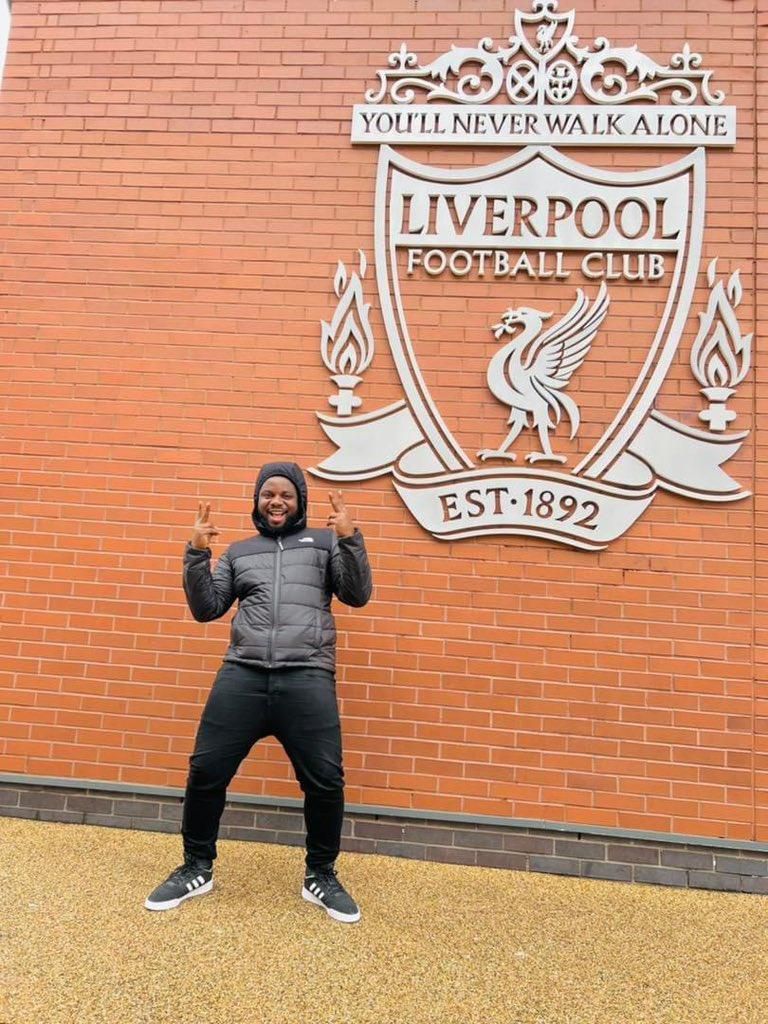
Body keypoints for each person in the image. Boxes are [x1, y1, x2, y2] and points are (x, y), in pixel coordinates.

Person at [144, 462, 372, 923]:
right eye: (268, 493)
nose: (276, 501)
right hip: (242, 675)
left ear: (300, 502)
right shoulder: (239, 552)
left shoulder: (326, 543)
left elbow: (357, 595)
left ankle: (321, 874)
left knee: (325, 781)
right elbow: (207, 609)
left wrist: (350, 539)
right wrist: (195, 554)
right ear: (257, 500)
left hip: (306, 676)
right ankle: (196, 866)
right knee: (206, 771)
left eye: (286, 495)